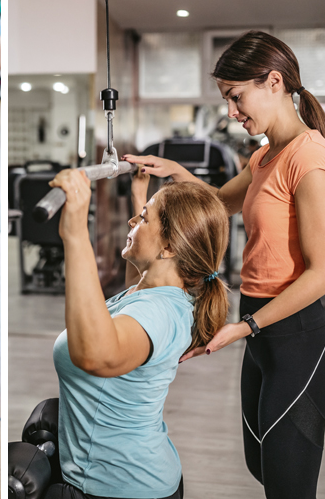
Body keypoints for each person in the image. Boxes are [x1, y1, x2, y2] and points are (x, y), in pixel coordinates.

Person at [126, 30, 325, 498]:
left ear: (274, 82)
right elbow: (218, 203)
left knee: (288, 482)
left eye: (236, 98)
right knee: (260, 464)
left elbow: (321, 273)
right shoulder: (264, 157)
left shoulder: (309, 159)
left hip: (294, 332)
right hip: (260, 331)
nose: (232, 113)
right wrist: (176, 173)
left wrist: (244, 327)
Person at [41, 168, 230, 499]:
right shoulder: (159, 294)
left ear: (169, 247)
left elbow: (95, 355)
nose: (132, 222)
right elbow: (139, 285)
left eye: (143, 219)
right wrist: (139, 197)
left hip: (119, 488)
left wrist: (74, 232)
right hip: (134, 477)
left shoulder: (158, 314)